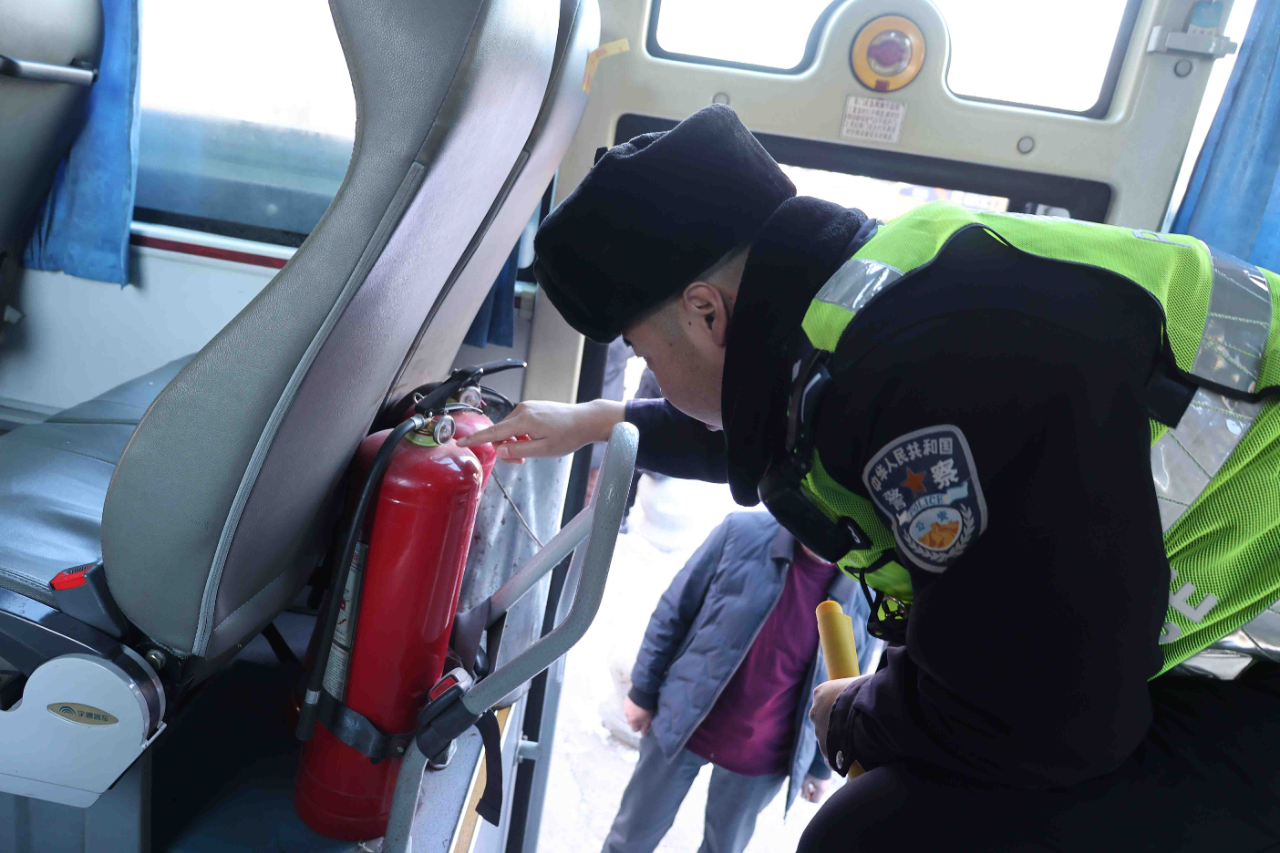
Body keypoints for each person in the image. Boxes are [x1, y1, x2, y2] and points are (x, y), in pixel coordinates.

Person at [460, 105, 1280, 849]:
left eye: (642, 352)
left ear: (708, 313)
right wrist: (597, 420)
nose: (649, 375)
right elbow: (771, 430)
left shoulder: (923, 371)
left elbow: (1049, 720)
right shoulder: (873, 304)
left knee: (864, 834)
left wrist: (853, 713)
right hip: (1186, 620)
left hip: (1253, 657)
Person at [604, 511, 881, 853]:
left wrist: (820, 767)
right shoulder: (741, 532)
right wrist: (643, 692)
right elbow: (675, 609)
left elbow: (846, 687)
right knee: (629, 839)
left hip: (763, 757)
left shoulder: (864, 585)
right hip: (683, 722)